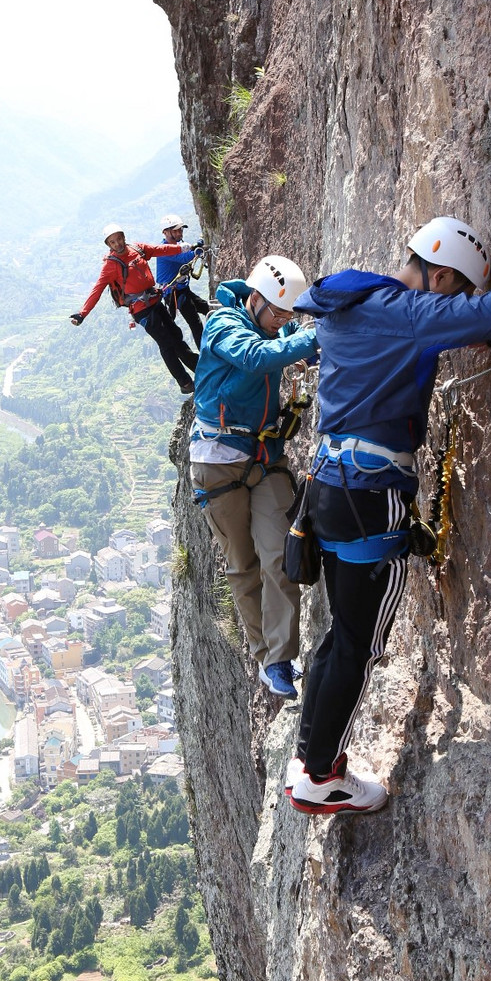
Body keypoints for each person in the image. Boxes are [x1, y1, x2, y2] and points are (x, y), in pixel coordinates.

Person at [287, 216, 491, 815]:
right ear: (441, 273)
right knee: (358, 645)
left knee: (339, 632)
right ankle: (321, 777)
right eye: (455, 291)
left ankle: (307, 754)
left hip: (327, 489)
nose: (454, 303)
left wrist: (445, 324)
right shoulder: (406, 312)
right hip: (371, 498)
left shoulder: (350, 301)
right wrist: (460, 317)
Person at [190, 254, 318, 699]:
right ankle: (265, 656)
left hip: (264, 455)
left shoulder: (270, 323)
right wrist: (307, 341)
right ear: (257, 299)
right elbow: (254, 357)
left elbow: (281, 340)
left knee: (282, 551)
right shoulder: (223, 324)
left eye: (289, 314)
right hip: (219, 457)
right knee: (243, 566)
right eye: (279, 311)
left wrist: (303, 338)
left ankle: (282, 656)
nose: (284, 320)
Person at [70, 224, 199, 393]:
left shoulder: (137, 249)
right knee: (166, 343)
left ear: (124, 237)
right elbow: (98, 289)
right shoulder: (111, 265)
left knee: (175, 335)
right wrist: (82, 314)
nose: (117, 244)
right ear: (109, 245)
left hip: (154, 300)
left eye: (119, 239)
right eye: (112, 242)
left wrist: (183, 248)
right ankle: (185, 383)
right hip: (141, 309)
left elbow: (160, 249)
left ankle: (200, 368)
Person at [154, 213, 210, 347]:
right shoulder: (164, 249)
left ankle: (209, 350)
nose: (180, 232)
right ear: (166, 232)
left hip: (182, 290)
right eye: (176, 230)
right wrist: (199, 250)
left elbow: (186, 249)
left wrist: (197, 245)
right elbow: (184, 258)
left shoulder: (177, 244)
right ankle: (205, 355)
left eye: (181, 229)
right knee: (195, 323)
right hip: (175, 293)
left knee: (207, 309)